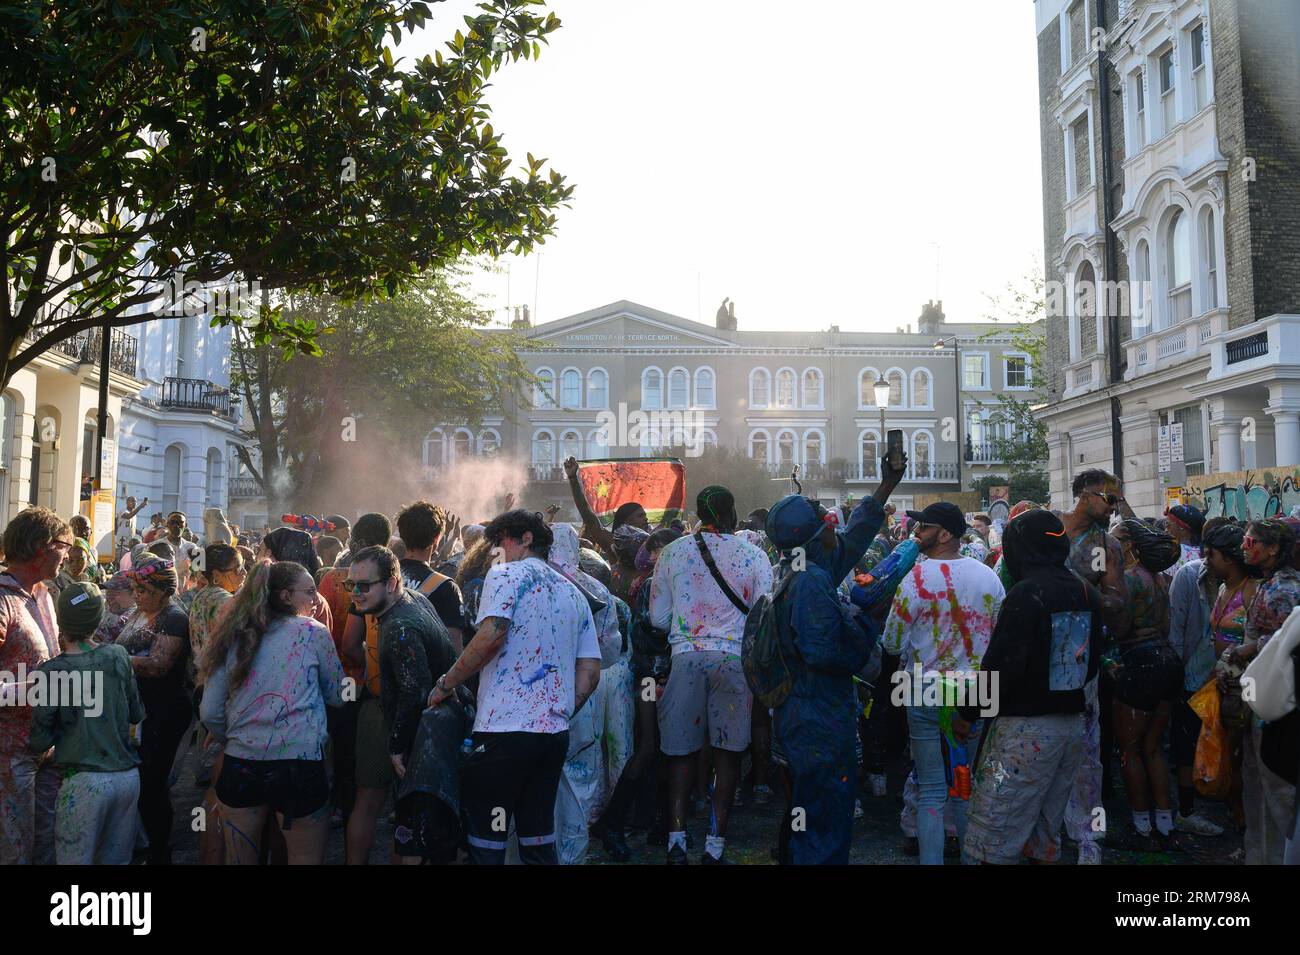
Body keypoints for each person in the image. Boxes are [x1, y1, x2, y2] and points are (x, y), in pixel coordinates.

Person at [427, 509, 601, 865]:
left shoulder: (505, 575)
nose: (496, 549)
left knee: (488, 837)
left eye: (502, 539)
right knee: (537, 836)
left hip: (504, 731)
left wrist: (447, 683)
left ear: (526, 540)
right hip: (552, 734)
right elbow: (590, 670)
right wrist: (564, 708)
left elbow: (492, 634)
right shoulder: (575, 593)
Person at [765, 452, 905, 864]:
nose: (835, 526)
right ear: (816, 537)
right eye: (827, 521)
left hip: (808, 713)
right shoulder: (810, 583)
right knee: (824, 817)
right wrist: (863, 624)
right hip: (818, 717)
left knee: (813, 809)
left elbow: (855, 537)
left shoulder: (803, 564)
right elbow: (824, 650)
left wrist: (886, 486)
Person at [960, 509, 1104, 864]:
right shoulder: (1084, 591)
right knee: (1044, 833)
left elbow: (1001, 665)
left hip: (1024, 732)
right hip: (1070, 727)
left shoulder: (1026, 594)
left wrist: (967, 712)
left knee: (995, 832)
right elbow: (1091, 664)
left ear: (1018, 548)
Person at [650, 485, 773, 864]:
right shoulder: (754, 555)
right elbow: (762, 615)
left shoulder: (671, 553)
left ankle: (676, 842)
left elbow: (658, 618)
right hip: (733, 661)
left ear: (697, 513)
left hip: (686, 657)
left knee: (680, 754)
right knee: (728, 753)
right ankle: (715, 846)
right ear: (732, 512)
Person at [882, 501, 1005, 865]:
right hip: (978, 691)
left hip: (924, 687)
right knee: (967, 787)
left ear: (946, 533)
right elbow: (999, 640)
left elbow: (891, 643)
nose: (916, 533)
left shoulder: (914, 579)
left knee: (933, 789)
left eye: (924, 527)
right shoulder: (989, 577)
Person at [200, 561, 345, 864]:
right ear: (285, 596)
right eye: (309, 592)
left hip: (242, 763)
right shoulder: (313, 633)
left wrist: (234, 738)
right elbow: (338, 695)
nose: (316, 600)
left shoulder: (233, 633)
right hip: (299, 764)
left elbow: (209, 710)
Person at [345, 545, 453, 864]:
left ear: (391, 584)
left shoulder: (400, 628)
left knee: (409, 819)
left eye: (365, 585)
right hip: (428, 723)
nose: (356, 593)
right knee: (405, 815)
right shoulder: (412, 599)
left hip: (423, 729)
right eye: (351, 584)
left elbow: (415, 692)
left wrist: (396, 745)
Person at [29, 581, 144, 864]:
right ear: (97, 618)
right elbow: (135, 714)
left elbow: (39, 741)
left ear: (61, 620)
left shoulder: (52, 670)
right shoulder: (118, 656)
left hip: (83, 783)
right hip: (127, 779)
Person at [1058, 469, 1128, 864]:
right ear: (1086, 494)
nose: (1116, 506)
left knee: (1087, 750)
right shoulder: (1045, 528)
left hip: (1081, 659)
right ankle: (1040, 833)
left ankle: (1088, 839)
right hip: (1033, 657)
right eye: (1111, 498)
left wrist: (1077, 590)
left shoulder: (1107, 546)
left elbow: (1120, 608)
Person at [548, 523, 626, 864]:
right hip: (584, 694)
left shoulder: (526, 582)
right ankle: (571, 856)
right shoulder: (595, 589)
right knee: (578, 783)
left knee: (536, 786)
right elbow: (609, 652)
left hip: (535, 698)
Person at [1107, 518, 1185, 851]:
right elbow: (1166, 624)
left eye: (1120, 541)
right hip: (1167, 661)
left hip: (1140, 663)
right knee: (1153, 747)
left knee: (1130, 749)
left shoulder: (1129, 579)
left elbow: (1120, 626)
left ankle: (1140, 823)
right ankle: (1165, 820)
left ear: (1132, 547)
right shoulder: (1163, 579)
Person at [0, 508, 68, 864]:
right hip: (9, 756)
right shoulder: (3, 600)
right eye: (64, 545)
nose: (69, 554)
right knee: (15, 852)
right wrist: (34, 687)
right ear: (42, 547)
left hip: (47, 747)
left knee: (48, 847)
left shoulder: (43, 595)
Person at [115, 556, 192, 864]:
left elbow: (159, 665)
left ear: (163, 591)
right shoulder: (138, 612)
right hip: (140, 710)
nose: (137, 595)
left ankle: (161, 853)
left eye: (143, 590)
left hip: (164, 711)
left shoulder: (173, 617)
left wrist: (114, 660)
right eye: (134, 589)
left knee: (152, 783)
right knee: (141, 781)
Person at [320, 512, 389, 831]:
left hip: (331, 675)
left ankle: (334, 803)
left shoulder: (329, 578)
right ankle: (351, 807)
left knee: (337, 743)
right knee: (355, 747)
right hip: (360, 678)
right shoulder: (381, 583)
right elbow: (352, 644)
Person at [1237, 518, 1300, 864]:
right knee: (1257, 784)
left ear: (1273, 549)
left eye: (1251, 541)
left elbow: (1290, 644)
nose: (1245, 546)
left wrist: (1250, 648)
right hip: (1260, 698)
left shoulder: (1286, 590)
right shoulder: (1269, 583)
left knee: (1277, 788)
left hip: (1277, 704)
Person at [1166, 518, 1231, 837]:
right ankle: (1187, 810)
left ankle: (1228, 802)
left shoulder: (1241, 581)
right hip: (1192, 675)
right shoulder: (1188, 575)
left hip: (1225, 678)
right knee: (1187, 745)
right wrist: (1177, 674)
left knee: (1224, 741)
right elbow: (1177, 629)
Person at [188, 543, 246, 863]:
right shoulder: (224, 601)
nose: (241, 575)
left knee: (214, 782)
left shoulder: (200, 597)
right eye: (235, 570)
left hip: (202, 686)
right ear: (215, 574)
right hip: (218, 692)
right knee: (220, 784)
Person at [1206, 522, 1257, 835]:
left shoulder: (1253, 591)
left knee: (1243, 756)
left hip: (1247, 688)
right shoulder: (1224, 588)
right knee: (1230, 754)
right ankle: (1238, 814)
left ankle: (1245, 821)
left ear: (1228, 558)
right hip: (1225, 684)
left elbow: (1263, 640)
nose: (1207, 561)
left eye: (1211, 555)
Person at [395, 501, 465, 652]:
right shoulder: (445, 587)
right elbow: (454, 652)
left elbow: (350, 644)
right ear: (436, 539)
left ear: (402, 534)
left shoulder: (378, 578)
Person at [162, 512, 202, 586]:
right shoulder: (157, 545)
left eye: (179, 523)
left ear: (185, 525)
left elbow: (200, 576)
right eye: (172, 522)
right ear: (167, 524)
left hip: (186, 593)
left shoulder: (193, 548)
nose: (175, 526)